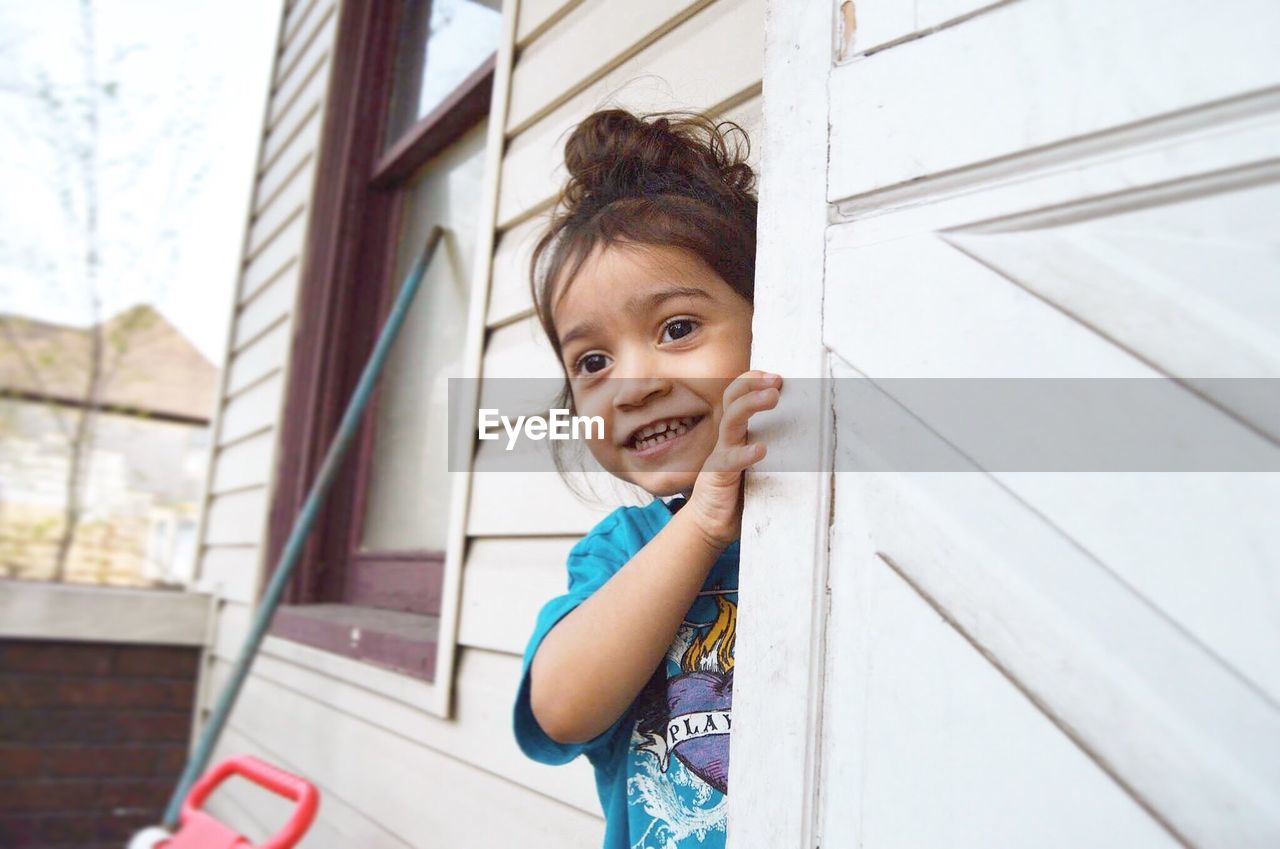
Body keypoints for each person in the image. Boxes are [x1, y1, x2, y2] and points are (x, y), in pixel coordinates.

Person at [511, 107, 782, 848]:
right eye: (592, 362)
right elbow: (561, 707)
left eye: (677, 327)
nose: (632, 385)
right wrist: (699, 525)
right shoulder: (623, 547)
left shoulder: (833, 515)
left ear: (777, 319)